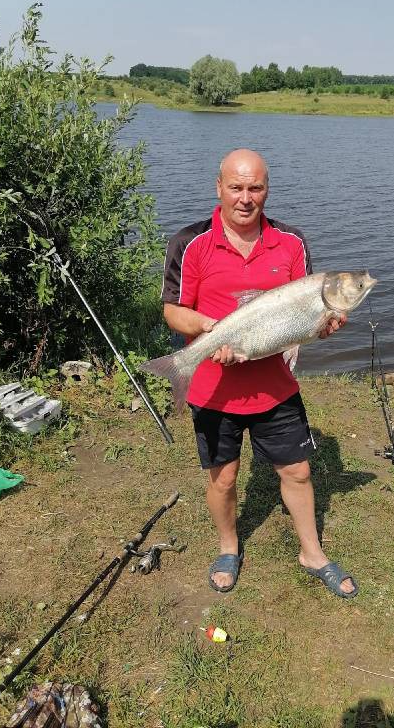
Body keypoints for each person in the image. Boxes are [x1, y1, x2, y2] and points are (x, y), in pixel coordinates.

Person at [161, 149, 358, 598]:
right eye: (236, 187)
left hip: (274, 387)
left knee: (298, 472)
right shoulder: (189, 242)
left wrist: (321, 329)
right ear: (219, 187)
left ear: (267, 189)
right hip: (212, 384)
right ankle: (229, 547)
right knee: (223, 477)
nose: (245, 198)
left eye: (255, 188)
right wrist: (210, 331)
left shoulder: (292, 242)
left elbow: (302, 320)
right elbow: (173, 311)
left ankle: (312, 552)